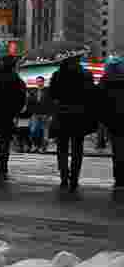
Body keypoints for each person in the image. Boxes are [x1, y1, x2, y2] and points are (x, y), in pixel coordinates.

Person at [49, 57, 96, 193]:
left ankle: (64, 176)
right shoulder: (86, 74)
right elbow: (91, 94)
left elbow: (52, 94)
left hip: (62, 114)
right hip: (80, 115)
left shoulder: (57, 74)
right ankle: (74, 178)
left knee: (62, 146)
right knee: (77, 147)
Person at [0, 56, 28, 183]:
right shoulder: (16, 80)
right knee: (4, 143)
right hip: (7, 115)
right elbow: (21, 98)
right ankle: (2, 169)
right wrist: (14, 112)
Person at [98, 57, 124, 191]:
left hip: (113, 119)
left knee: (117, 149)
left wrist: (104, 118)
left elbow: (100, 101)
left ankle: (119, 178)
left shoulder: (104, 80)